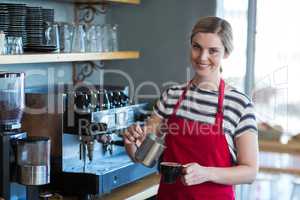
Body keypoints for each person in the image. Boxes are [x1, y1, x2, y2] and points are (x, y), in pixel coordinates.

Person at [123, 16, 258, 200]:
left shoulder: (239, 105)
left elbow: (250, 172)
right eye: (197, 47)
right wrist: (132, 143)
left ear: (226, 53)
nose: (202, 57)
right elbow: (146, 158)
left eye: (213, 51)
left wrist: (207, 173)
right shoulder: (171, 96)